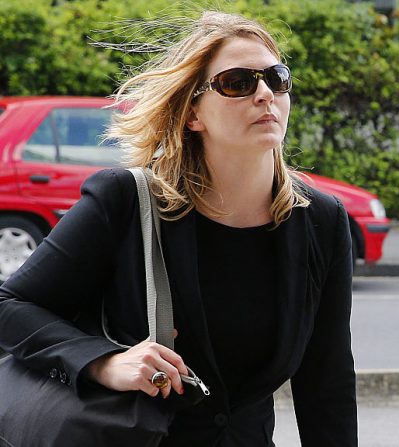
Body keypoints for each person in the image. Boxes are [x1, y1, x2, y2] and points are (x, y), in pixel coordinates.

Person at [0, 11, 357, 446]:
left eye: (276, 78)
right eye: (238, 83)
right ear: (193, 115)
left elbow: (327, 381)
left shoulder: (321, 219)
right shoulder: (127, 201)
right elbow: (11, 305)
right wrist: (102, 362)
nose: (265, 94)